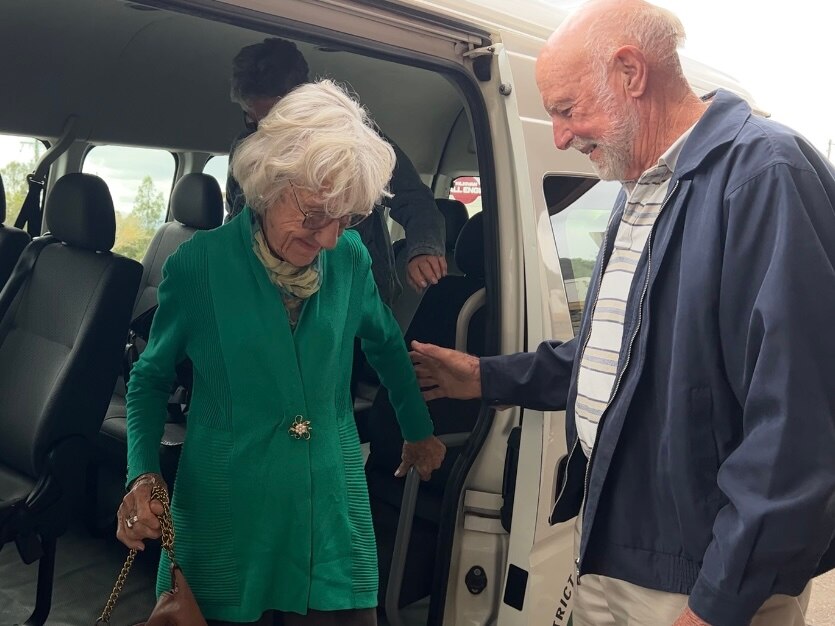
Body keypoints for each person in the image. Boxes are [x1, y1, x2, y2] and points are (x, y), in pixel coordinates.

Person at [410, 1, 835, 625]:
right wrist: (484, 376)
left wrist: (718, 601)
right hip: (610, 550)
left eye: (565, 109)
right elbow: (613, 360)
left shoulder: (765, 175)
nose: (559, 136)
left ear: (631, 73)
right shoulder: (639, 192)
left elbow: (799, 428)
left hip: (697, 580)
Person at [117, 80, 446, 626]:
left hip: (330, 521)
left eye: (346, 219)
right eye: (315, 214)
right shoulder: (200, 264)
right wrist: (141, 474)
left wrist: (416, 428)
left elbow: (386, 343)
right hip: (226, 521)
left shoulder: (351, 260)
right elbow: (149, 380)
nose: (330, 239)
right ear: (270, 183)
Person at [226, 37, 447, 304]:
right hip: (273, 294)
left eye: (276, 116)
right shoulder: (245, 146)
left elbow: (413, 197)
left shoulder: (354, 139)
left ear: (302, 98)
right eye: (253, 117)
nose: (266, 128)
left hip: (355, 292)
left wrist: (423, 248)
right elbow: (238, 215)